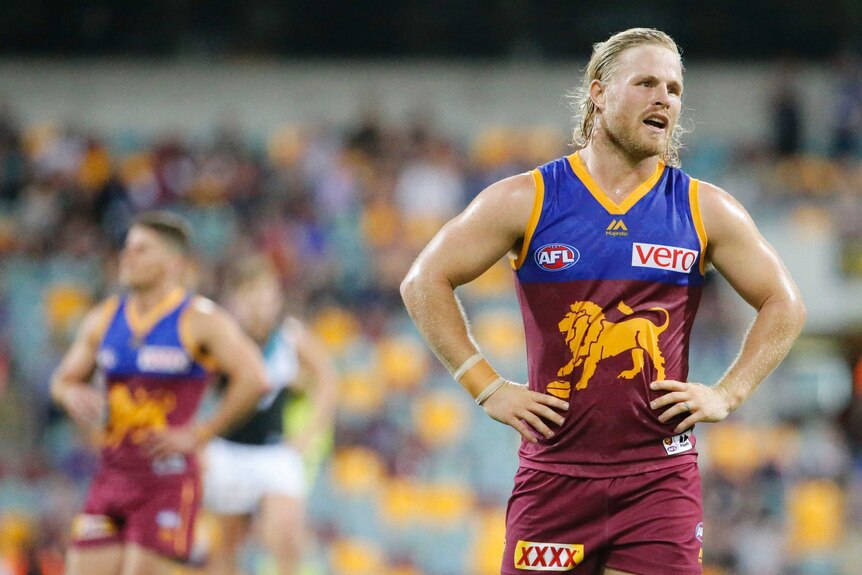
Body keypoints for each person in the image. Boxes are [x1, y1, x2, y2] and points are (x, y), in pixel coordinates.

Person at [400, 28, 806, 575]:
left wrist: (728, 393)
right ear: (598, 92)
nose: (665, 97)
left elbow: (784, 303)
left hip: (660, 480)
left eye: (674, 88)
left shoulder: (704, 208)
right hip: (554, 476)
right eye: (645, 83)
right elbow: (423, 281)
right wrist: (485, 384)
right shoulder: (529, 198)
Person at [50, 211, 269, 575]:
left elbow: (255, 378)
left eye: (141, 250)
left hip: (166, 482)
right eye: (126, 248)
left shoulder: (199, 320)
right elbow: (63, 380)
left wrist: (199, 434)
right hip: (111, 477)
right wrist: (70, 393)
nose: (127, 257)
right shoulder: (105, 318)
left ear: (173, 263)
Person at [203, 255, 338, 575]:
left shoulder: (289, 336)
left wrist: (310, 432)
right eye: (251, 295)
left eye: (266, 294)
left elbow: (328, 379)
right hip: (228, 451)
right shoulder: (222, 336)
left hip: (275, 452)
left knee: (286, 537)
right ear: (235, 298)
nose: (260, 305)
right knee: (225, 547)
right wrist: (199, 439)